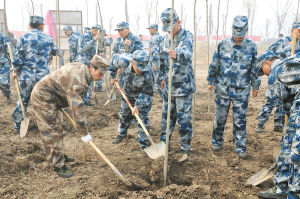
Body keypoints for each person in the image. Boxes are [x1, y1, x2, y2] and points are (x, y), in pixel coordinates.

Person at [30, 55, 109, 178]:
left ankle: (58, 153)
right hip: (43, 97)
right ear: (92, 67)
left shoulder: (82, 69)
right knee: (52, 130)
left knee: (58, 128)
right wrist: (84, 133)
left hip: (54, 97)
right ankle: (56, 163)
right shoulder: (79, 82)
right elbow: (77, 110)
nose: (101, 77)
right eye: (100, 72)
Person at [206, 16, 260, 159]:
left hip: (241, 91)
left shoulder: (252, 47)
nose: (237, 39)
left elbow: (254, 69)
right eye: (235, 36)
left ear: (246, 31)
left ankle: (240, 147)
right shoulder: (223, 44)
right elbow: (214, 63)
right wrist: (211, 79)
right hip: (223, 89)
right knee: (220, 118)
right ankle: (216, 141)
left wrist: (255, 85)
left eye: (240, 36)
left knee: (240, 120)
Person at [256, 52, 300, 199]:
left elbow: (286, 104)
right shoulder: (290, 62)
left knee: (295, 149)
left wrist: (288, 133)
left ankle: (292, 192)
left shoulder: (276, 72)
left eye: (262, 71)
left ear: (268, 63)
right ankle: (283, 188)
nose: (264, 74)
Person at [11, 16, 61, 134]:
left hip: (26, 76)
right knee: (44, 101)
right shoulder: (48, 38)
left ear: (29, 24)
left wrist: (15, 71)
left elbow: (19, 58)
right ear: (41, 26)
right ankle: (46, 125)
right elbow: (56, 52)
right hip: (42, 77)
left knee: (22, 100)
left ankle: (17, 125)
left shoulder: (23, 38)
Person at [159, 8, 195, 161]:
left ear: (178, 22)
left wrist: (177, 54)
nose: (169, 31)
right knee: (166, 118)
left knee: (183, 120)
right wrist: (161, 77)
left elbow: (187, 53)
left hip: (183, 87)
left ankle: (185, 149)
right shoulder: (165, 39)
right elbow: (161, 58)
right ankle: (163, 147)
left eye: (171, 27)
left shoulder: (187, 36)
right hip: (169, 87)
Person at [109, 50, 153, 153]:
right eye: (139, 68)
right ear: (133, 63)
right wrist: (112, 76)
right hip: (127, 91)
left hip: (141, 94)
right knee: (124, 114)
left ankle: (144, 144)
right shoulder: (123, 61)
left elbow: (148, 93)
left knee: (142, 118)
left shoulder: (148, 73)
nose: (141, 70)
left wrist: (138, 105)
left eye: (143, 68)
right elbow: (112, 62)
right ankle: (122, 134)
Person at [112, 21, 144, 88]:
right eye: (118, 30)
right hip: (121, 71)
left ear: (128, 29)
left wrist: (130, 46)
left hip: (131, 71)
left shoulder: (135, 39)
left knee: (131, 90)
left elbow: (140, 55)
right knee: (122, 88)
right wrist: (117, 66)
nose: (120, 32)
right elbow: (114, 53)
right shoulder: (118, 40)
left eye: (122, 30)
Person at [147, 24, 163, 98]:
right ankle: (164, 95)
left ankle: (149, 96)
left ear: (154, 29)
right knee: (159, 79)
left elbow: (155, 51)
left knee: (153, 78)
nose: (149, 30)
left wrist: (154, 63)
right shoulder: (160, 37)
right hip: (160, 61)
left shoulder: (154, 38)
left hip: (155, 61)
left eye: (150, 29)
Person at [0, 33, 15, 104]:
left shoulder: (2, 37)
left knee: (4, 83)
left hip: (3, 64)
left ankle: (7, 95)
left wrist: (14, 62)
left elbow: (11, 50)